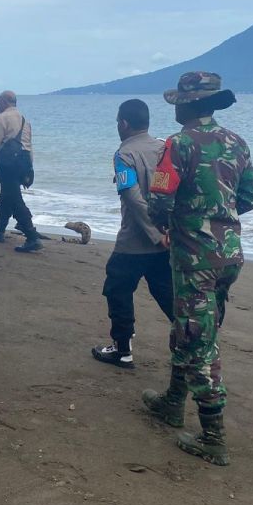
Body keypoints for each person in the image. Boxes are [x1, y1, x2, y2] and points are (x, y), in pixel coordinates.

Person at [141, 72, 253, 466]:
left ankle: (213, 437)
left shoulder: (178, 145)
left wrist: (175, 226)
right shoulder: (237, 142)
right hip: (229, 256)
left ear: (185, 106)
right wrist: (217, 217)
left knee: (198, 339)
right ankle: (173, 401)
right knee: (190, 326)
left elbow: (159, 198)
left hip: (194, 258)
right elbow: (249, 199)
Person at [91, 99, 173, 369]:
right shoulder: (164, 148)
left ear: (123, 124)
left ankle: (122, 349)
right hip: (167, 239)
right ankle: (194, 341)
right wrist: (168, 231)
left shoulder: (124, 155)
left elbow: (133, 197)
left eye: (117, 121)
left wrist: (153, 234)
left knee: (117, 289)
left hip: (135, 242)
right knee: (167, 293)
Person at [0, 91, 42, 253]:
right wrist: (29, 170)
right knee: (7, 195)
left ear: (5, 102)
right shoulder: (24, 120)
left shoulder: (0, 119)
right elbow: (29, 146)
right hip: (24, 162)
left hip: (8, 164)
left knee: (13, 198)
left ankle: (31, 235)